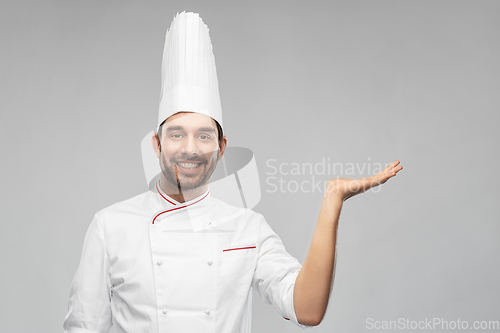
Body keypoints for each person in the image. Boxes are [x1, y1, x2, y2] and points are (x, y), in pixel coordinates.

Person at [63, 12, 403, 333]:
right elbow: (84, 327)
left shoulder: (247, 229)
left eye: (204, 135)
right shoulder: (110, 226)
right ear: (157, 144)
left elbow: (308, 310)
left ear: (222, 147)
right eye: (177, 134)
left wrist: (333, 201)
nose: (190, 148)